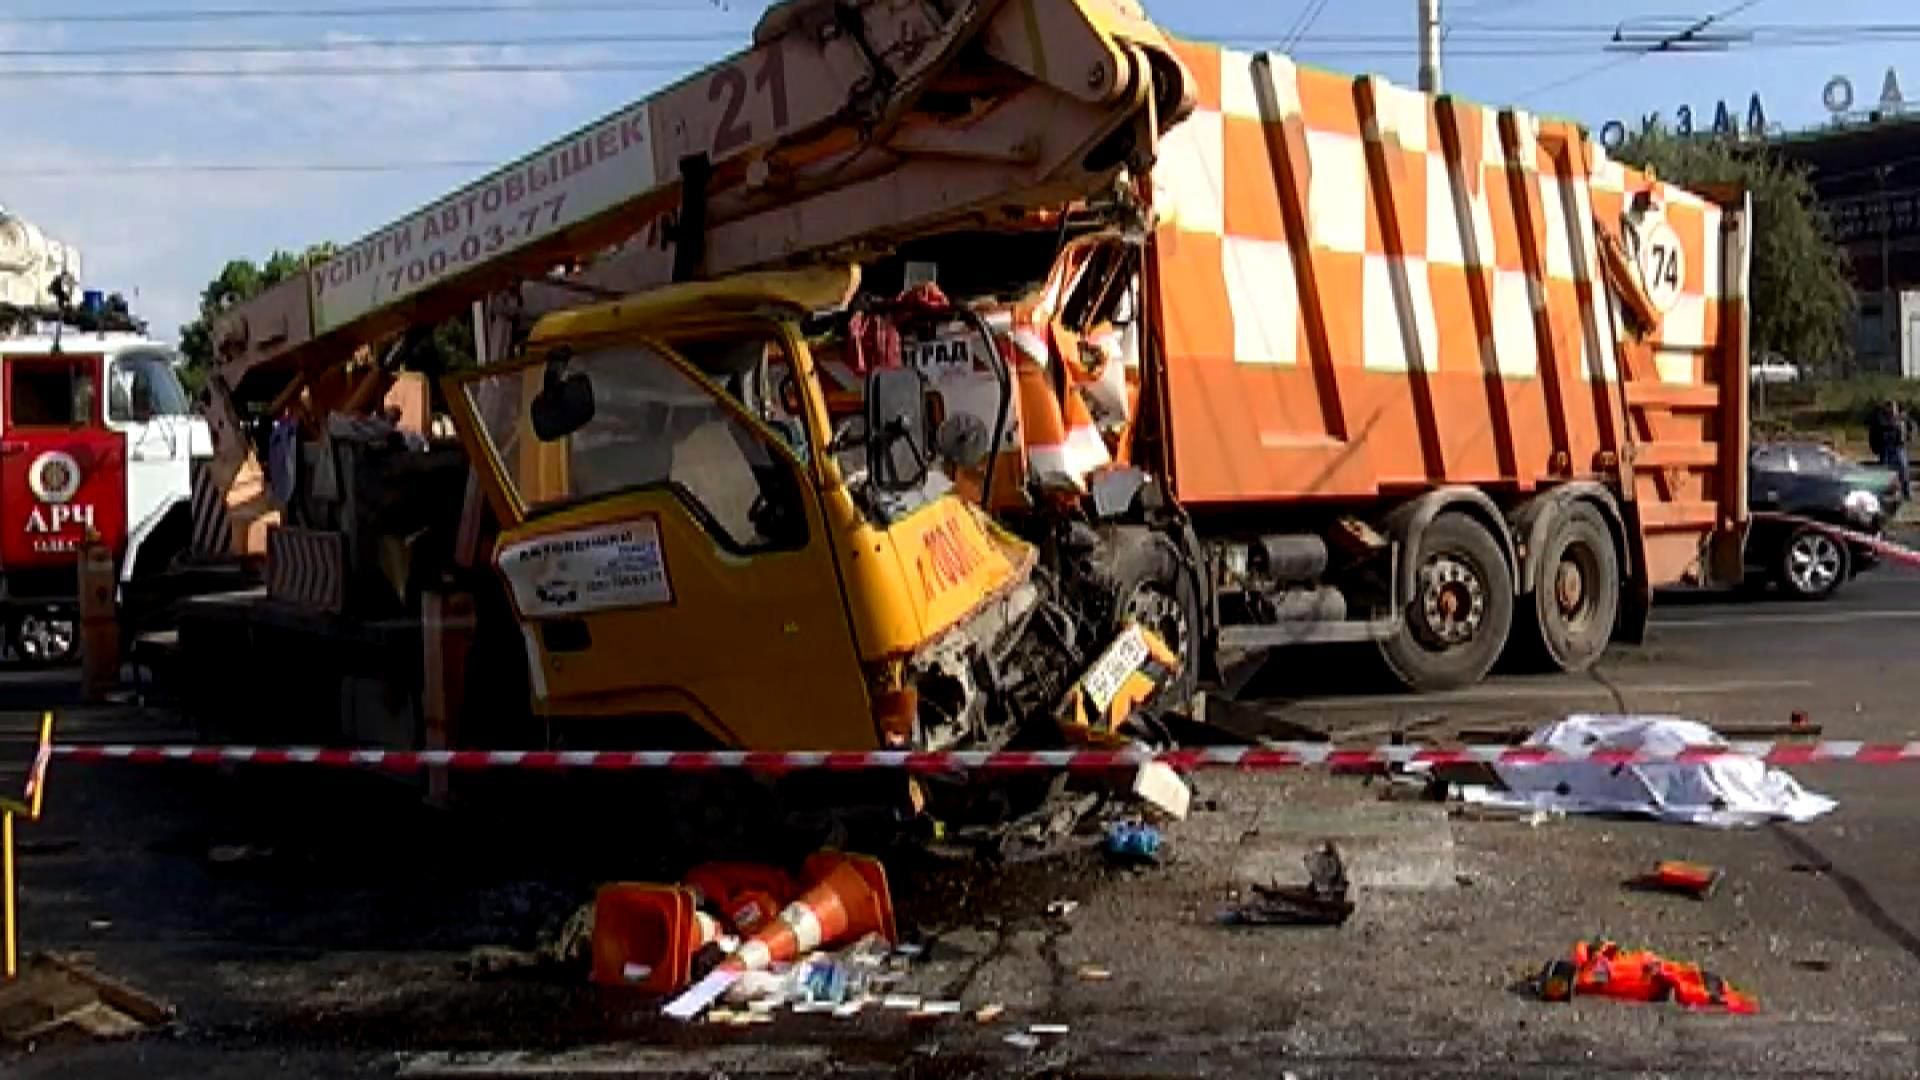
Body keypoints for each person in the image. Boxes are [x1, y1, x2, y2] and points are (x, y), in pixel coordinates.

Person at [1870, 399, 1914, 501]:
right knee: (1885, 472)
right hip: (1885, 448)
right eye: (1889, 407)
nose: (1892, 410)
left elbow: (1910, 427)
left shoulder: (1902, 418)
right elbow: (1873, 434)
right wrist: (1875, 448)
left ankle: (1906, 492)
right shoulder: (1880, 420)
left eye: (1893, 408)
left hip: (1898, 447)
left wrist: (1908, 437)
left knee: (1903, 469)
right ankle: (1884, 493)